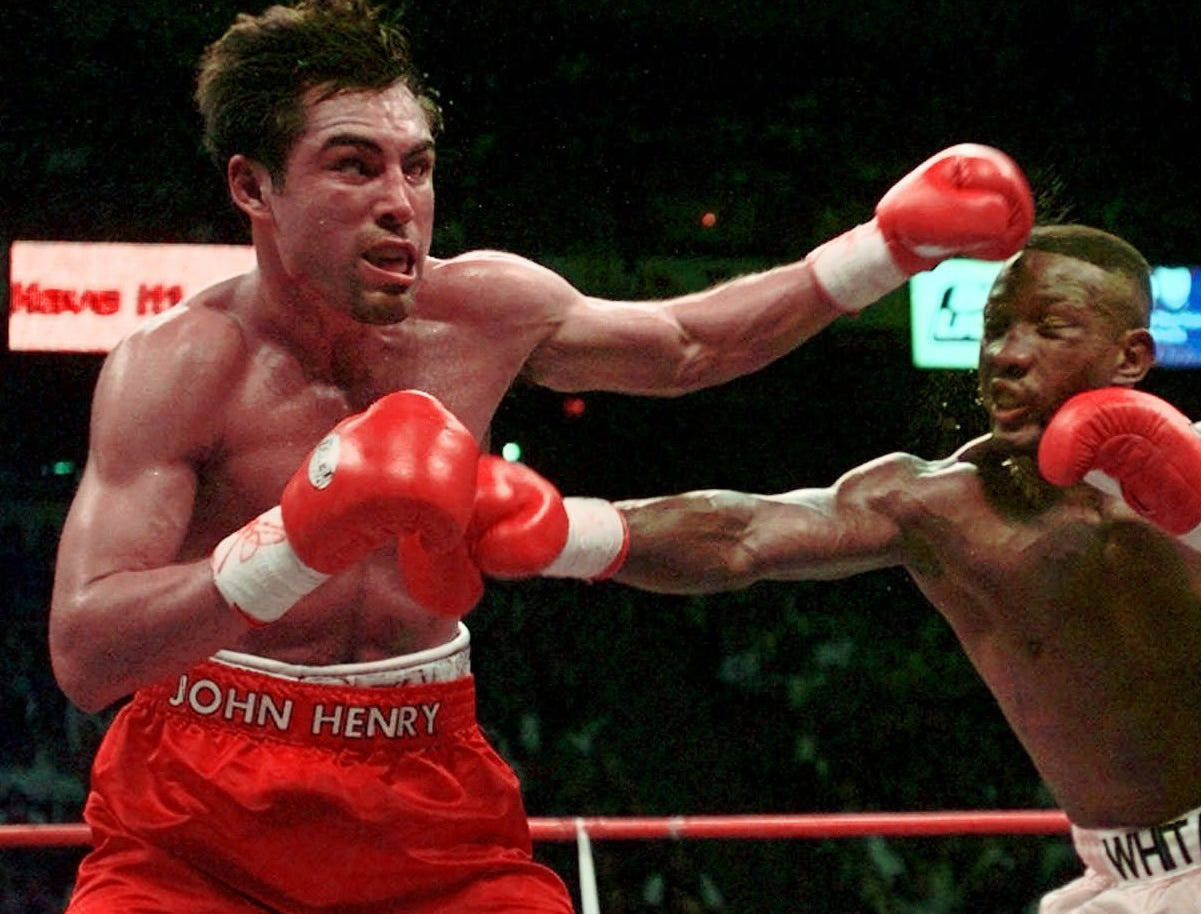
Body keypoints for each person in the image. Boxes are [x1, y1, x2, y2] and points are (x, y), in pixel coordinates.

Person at [46, 0, 1033, 910]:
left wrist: (883, 250)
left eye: (417, 166)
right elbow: (87, 651)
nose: (401, 201)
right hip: (195, 813)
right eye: (355, 165)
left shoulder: (484, 309)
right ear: (252, 185)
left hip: (426, 787)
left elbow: (690, 345)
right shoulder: (178, 366)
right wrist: (295, 538)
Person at [466, 224, 1201, 912]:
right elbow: (744, 535)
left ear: (1128, 356)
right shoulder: (936, 503)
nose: (1005, 353)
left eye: (1047, 328)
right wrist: (566, 530)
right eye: (996, 327)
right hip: (1139, 882)